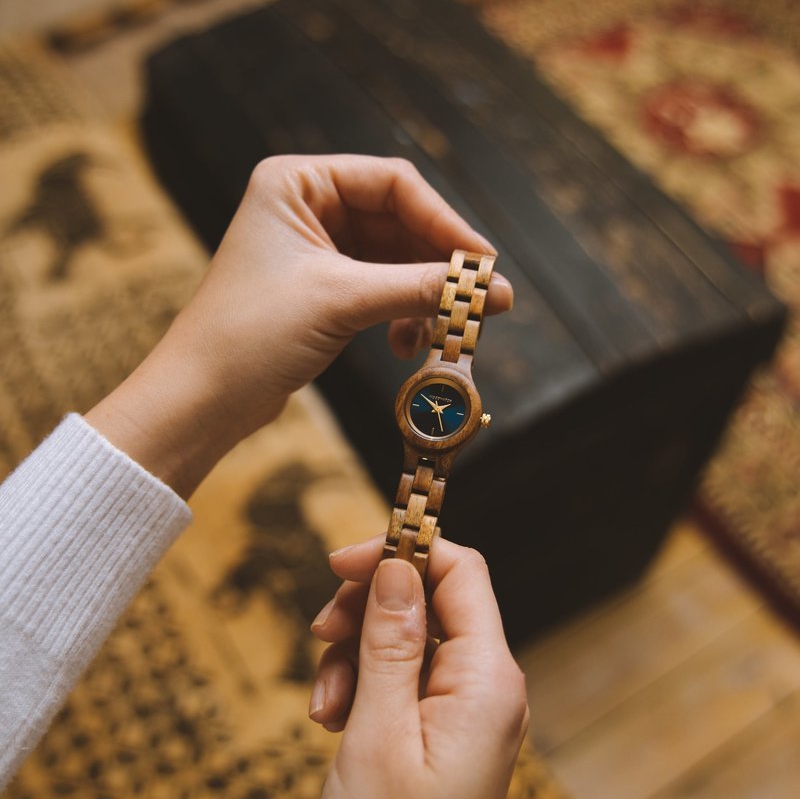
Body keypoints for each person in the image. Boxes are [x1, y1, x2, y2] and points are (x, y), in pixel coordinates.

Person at [0, 154, 529, 797]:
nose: (441, 408)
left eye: (449, 411)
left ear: (466, 419)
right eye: (435, 404)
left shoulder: (429, 437)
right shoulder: (430, 416)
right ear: (417, 401)